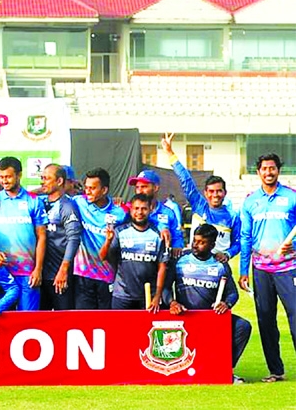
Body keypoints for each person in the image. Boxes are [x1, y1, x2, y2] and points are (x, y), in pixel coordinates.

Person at [166, 224, 251, 384]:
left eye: (201, 242)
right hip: (185, 317)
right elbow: (164, 288)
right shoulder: (180, 260)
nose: (195, 246)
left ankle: (222, 369)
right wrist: (172, 302)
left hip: (211, 318)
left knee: (243, 326)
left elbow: (233, 293)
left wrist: (226, 303)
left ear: (212, 245)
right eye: (195, 241)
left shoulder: (220, 265)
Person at [238, 153, 296, 383]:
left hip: (288, 267)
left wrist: (293, 243)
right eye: (264, 169)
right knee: (265, 319)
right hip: (260, 268)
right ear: (258, 171)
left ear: (278, 170)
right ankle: (276, 370)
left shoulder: (291, 197)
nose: (268, 172)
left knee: (295, 317)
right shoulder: (251, 201)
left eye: (272, 168)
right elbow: (245, 237)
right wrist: (243, 270)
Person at [0, 156, 47, 310]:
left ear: (19, 175)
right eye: (1, 177)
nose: (4, 181)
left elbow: (42, 236)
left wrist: (38, 269)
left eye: (8, 177)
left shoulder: (34, 201)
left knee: (27, 321)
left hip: (27, 272)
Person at [162, 133, 241, 260]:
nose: (215, 195)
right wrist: (170, 153)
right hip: (195, 263)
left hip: (217, 267)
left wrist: (227, 254)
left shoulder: (232, 216)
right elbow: (186, 179)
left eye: (219, 191)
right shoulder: (199, 205)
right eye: (211, 191)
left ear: (225, 193)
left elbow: (238, 243)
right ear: (205, 193)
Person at [100, 194, 168, 311]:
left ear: (150, 210)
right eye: (136, 208)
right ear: (131, 210)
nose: (139, 212)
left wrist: (157, 295)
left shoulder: (158, 235)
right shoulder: (120, 232)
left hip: (147, 297)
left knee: (145, 329)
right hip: (122, 294)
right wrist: (108, 241)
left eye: (144, 209)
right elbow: (102, 257)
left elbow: (162, 267)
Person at [72, 168, 126, 309]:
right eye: (86, 187)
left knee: (106, 322)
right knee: (83, 321)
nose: (88, 191)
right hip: (83, 275)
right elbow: (54, 195)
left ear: (104, 190)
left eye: (92, 188)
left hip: (107, 275)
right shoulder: (78, 202)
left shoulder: (119, 213)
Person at [39, 164, 82, 310]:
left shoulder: (67, 206)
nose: (43, 182)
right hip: (40, 274)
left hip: (60, 275)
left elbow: (74, 239)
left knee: (63, 320)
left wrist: (63, 270)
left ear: (59, 181)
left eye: (47, 178)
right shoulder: (40, 203)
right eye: (42, 178)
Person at [127, 169, 184, 255]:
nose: (139, 191)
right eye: (137, 187)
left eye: (144, 187)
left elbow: (177, 235)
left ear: (156, 187)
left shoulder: (168, 212)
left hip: (160, 261)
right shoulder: (128, 210)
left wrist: (177, 246)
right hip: (134, 259)